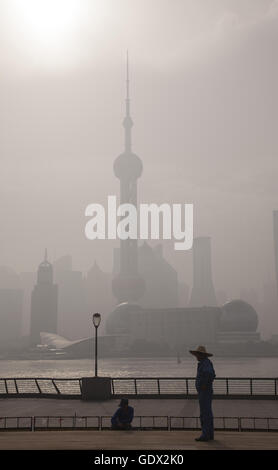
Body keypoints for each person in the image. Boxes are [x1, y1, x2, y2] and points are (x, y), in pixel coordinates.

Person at [190, 345, 216, 442]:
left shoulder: (205, 363)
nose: (196, 356)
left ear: (200, 355)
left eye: (197, 354)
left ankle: (205, 435)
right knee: (207, 413)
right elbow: (212, 374)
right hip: (204, 391)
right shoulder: (205, 363)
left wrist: (204, 384)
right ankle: (209, 434)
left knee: (205, 413)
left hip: (205, 392)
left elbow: (210, 374)